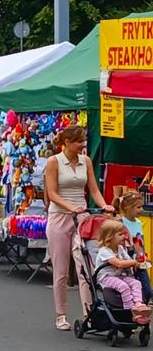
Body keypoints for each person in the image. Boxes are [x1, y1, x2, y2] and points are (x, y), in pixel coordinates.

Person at [44, 124, 114, 330]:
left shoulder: (86, 161)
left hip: (82, 218)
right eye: (78, 141)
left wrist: (104, 205)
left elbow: (93, 189)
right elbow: (52, 193)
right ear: (66, 142)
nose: (82, 145)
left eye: (83, 140)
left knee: (86, 266)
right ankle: (61, 314)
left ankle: (88, 312)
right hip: (59, 217)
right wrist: (70, 207)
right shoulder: (53, 162)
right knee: (62, 270)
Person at [95, 221, 151, 325]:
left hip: (119, 276)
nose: (124, 236)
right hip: (106, 277)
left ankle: (139, 305)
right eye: (120, 234)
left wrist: (139, 262)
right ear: (110, 237)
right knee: (124, 286)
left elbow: (128, 260)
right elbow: (119, 264)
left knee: (136, 283)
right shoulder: (104, 251)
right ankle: (131, 312)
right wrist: (134, 262)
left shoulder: (120, 248)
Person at [113, 191, 152, 303]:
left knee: (147, 290)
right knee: (131, 288)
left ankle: (141, 307)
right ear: (128, 208)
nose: (141, 210)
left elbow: (139, 242)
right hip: (127, 261)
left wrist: (143, 256)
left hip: (139, 261)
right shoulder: (120, 223)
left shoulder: (138, 223)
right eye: (138, 207)